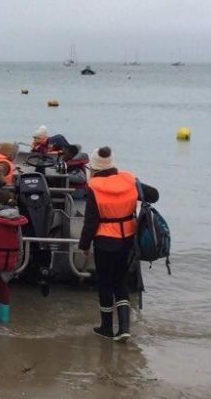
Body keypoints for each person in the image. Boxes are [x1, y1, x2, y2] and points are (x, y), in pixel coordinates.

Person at [79, 147, 158, 343]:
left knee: (105, 283)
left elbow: (91, 222)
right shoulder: (129, 180)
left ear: (94, 168)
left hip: (104, 241)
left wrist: (84, 244)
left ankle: (106, 327)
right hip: (127, 240)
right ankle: (124, 329)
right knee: (120, 282)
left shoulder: (94, 187)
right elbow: (154, 195)